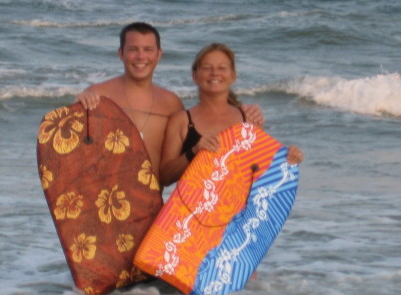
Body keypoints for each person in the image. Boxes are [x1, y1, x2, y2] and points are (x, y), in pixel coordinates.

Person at [76, 22, 264, 183]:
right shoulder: (98, 95)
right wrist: (79, 104)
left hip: (153, 210)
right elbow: (70, 151)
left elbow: (207, 163)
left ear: (158, 54)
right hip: (103, 205)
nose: (141, 56)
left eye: (148, 49)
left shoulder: (171, 104)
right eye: (133, 49)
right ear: (121, 53)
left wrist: (243, 114)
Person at [160, 43, 303, 187]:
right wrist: (194, 152)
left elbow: (262, 171)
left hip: (237, 207)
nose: (215, 73)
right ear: (195, 76)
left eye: (222, 68)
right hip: (196, 206)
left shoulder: (248, 119)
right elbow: (165, 177)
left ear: (233, 75)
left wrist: (289, 158)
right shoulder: (182, 121)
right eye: (206, 68)